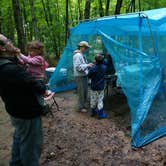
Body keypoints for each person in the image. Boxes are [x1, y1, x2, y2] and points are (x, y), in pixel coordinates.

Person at [0, 34, 46, 166]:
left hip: (15, 111)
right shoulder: (10, 69)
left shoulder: (8, 65)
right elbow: (37, 86)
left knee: (20, 136)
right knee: (31, 145)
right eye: (7, 41)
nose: (11, 42)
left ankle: (16, 162)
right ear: (2, 48)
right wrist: (43, 86)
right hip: (27, 113)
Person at [73, 41, 93, 112]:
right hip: (80, 76)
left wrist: (88, 65)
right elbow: (78, 67)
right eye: (86, 47)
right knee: (81, 92)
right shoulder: (77, 55)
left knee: (85, 91)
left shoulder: (81, 55)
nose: (86, 49)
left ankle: (83, 105)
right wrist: (88, 65)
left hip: (83, 75)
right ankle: (81, 107)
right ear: (81, 47)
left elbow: (82, 65)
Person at [88, 54, 107, 119]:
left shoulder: (92, 68)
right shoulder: (104, 67)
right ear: (102, 60)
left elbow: (89, 76)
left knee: (93, 99)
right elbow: (104, 62)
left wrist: (94, 64)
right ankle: (100, 114)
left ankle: (93, 112)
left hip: (93, 87)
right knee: (100, 100)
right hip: (101, 87)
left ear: (95, 60)